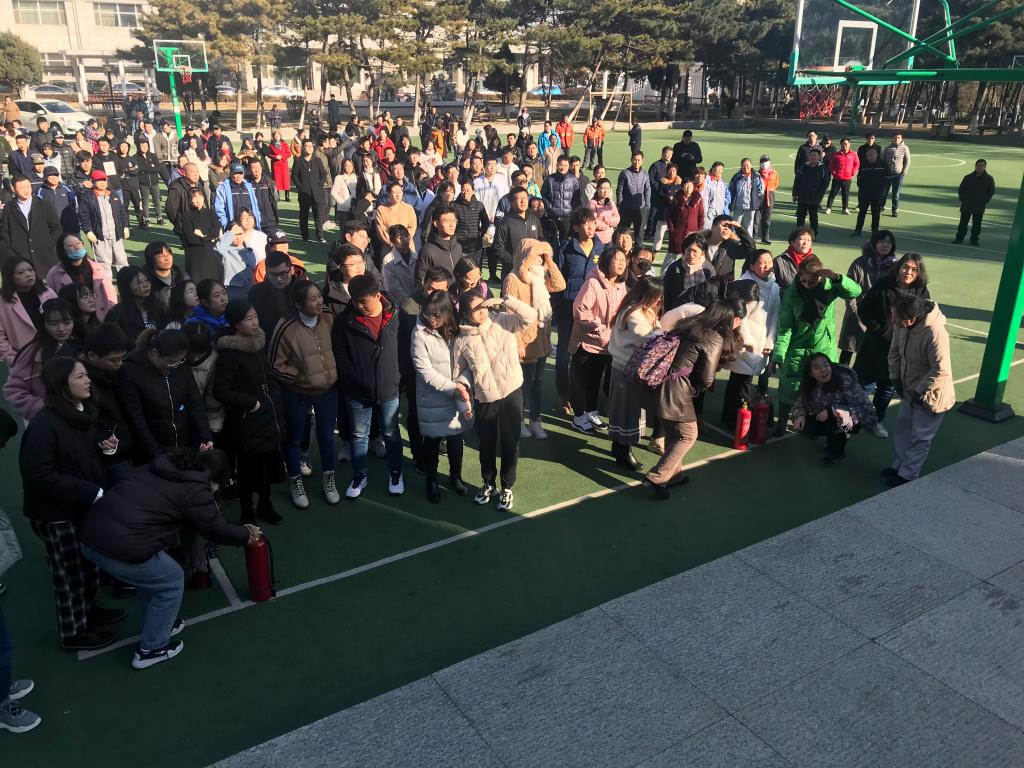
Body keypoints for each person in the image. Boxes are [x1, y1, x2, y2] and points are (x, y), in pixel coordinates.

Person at [80, 448, 256, 669]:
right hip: (120, 548)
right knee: (171, 579)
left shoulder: (160, 466)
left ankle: (158, 625)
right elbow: (216, 529)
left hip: (91, 537)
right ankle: (151, 649)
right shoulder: (196, 488)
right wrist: (246, 533)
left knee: (151, 578)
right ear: (215, 479)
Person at [19, 356, 122, 651]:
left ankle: (88, 611)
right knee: (69, 574)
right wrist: (91, 491)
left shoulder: (82, 414)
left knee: (87, 565)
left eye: (86, 374)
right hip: (56, 514)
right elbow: (39, 476)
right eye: (79, 376)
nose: (88, 380)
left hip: (79, 505)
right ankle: (73, 631)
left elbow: (82, 457)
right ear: (61, 385)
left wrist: (107, 450)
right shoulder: (44, 426)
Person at [645, 299, 744, 498]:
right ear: (727, 319)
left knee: (675, 432)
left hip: (661, 382)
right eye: (737, 318)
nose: (739, 322)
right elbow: (706, 378)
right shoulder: (714, 338)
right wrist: (698, 388)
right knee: (688, 434)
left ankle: (675, 475)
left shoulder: (691, 326)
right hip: (678, 389)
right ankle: (657, 476)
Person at [454, 291, 537, 511]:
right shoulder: (461, 339)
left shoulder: (504, 321)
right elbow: (460, 373)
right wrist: (464, 396)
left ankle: (507, 486)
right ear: (466, 314)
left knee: (510, 443)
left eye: (483, 306)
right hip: (485, 397)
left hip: (511, 391)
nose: (481, 312)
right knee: (486, 444)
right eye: (475, 310)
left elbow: (530, 316)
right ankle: (488, 483)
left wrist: (505, 301)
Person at [771, 256, 862, 435]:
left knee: (824, 391)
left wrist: (836, 277)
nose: (807, 285)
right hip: (797, 349)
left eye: (812, 282)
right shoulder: (792, 293)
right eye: (803, 280)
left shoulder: (830, 288)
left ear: (821, 277)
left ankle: (819, 427)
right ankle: (782, 422)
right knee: (789, 388)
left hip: (823, 349)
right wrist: (779, 354)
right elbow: (786, 327)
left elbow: (855, 291)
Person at [332, 274, 404, 499]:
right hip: (357, 391)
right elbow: (340, 356)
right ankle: (359, 475)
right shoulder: (344, 321)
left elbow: (404, 350)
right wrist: (352, 379)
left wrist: (397, 378)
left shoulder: (396, 315)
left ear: (378, 295)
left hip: (388, 388)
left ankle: (395, 473)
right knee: (359, 435)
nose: (358, 306)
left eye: (363, 301)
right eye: (354, 301)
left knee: (391, 433)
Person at [213, 300, 284, 525]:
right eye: (249, 319)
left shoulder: (259, 342)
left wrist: (274, 394)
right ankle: (247, 511)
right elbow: (221, 390)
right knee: (247, 470)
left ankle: (265, 504)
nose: (255, 322)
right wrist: (251, 403)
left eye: (255, 316)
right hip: (247, 421)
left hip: (269, 415)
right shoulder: (229, 354)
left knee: (268, 466)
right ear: (236, 324)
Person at [269, 280, 339, 508]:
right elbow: (275, 364)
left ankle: (329, 478)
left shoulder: (328, 316)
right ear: (299, 304)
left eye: (320, 296)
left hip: (328, 390)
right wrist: (301, 377)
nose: (319, 302)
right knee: (295, 438)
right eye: (313, 299)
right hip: (297, 393)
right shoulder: (286, 326)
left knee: (326, 436)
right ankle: (295, 480)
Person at [885, 293, 955, 485]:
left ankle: (908, 475)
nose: (892, 320)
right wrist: (895, 377)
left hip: (931, 395)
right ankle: (898, 465)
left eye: (896, 317)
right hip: (909, 389)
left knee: (921, 436)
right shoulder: (901, 325)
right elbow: (894, 351)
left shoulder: (935, 333)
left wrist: (919, 390)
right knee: (903, 429)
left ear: (912, 319)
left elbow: (941, 370)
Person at [502, 238, 565, 439]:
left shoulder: (540, 277)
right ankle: (518, 420)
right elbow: (508, 313)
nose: (540, 260)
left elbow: (560, 284)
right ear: (525, 256)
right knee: (524, 385)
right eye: (536, 256)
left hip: (542, 339)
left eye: (542, 257)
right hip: (525, 342)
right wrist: (518, 343)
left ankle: (535, 421)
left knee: (538, 384)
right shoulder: (513, 278)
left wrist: (550, 260)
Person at [411, 284, 469, 504]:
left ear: (447, 313)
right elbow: (424, 371)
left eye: (436, 316)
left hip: (456, 395)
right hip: (433, 397)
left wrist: (462, 383)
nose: (432, 320)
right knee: (433, 442)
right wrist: (453, 387)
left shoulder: (458, 330)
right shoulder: (419, 334)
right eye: (428, 314)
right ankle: (432, 481)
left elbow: (467, 360)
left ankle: (456, 477)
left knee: (456, 439)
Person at [569, 246, 628, 434]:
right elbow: (580, 311)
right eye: (617, 259)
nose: (621, 263)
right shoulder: (593, 283)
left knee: (595, 379)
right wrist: (600, 329)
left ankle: (591, 411)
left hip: (606, 344)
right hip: (586, 342)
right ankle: (578, 417)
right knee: (580, 380)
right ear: (607, 261)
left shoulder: (620, 285)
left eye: (623, 260)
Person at [607, 275, 663, 470]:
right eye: (656, 296)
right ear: (646, 295)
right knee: (628, 412)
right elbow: (649, 338)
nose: (659, 300)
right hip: (627, 370)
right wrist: (668, 336)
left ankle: (619, 446)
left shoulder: (637, 309)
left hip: (625, 369)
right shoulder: (634, 314)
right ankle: (624, 451)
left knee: (625, 410)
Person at [552, 207, 600, 410]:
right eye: (586, 223)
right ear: (575, 227)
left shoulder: (601, 248)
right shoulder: (565, 248)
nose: (590, 227)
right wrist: (555, 310)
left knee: (586, 355)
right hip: (567, 309)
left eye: (593, 222)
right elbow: (556, 280)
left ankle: (581, 394)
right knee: (564, 355)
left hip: (591, 310)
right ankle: (563, 394)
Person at [791, 354, 876, 464]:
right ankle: (832, 437)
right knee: (803, 426)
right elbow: (800, 403)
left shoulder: (845, 381)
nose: (823, 370)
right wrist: (800, 415)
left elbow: (866, 410)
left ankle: (837, 451)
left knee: (833, 417)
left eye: (826, 365)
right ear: (811, 374)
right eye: (817, 368)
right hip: (827, 417)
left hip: (856, 419)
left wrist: (834, 410)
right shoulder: (810, 384)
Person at [4, 298, 77, 421]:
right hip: (51, 420)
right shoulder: (32, 354)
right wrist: (43, 409)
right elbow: (13, 390)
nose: (61, 329)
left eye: (67, 322)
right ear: (44, 324)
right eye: (53, 324)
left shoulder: (80, 346)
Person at [79, 322, 134, 480]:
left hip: (125, 446)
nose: (120, 364)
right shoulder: (81, 382)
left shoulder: (111, 371)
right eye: (113, 360)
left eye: (122, 358)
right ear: (92, 356)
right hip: (108, 454)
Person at [838, 230, 898, 367]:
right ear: (874, 242)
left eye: (889, 242)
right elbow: (849, 289)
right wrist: (854, 310)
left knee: (872, 353)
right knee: (848, 349)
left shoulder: (895, 266)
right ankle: (841, 376)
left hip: (881, 317)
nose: (885, 245)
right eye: (882, 241)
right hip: (857, 312)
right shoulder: (860, 263)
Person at [0, 256, 58, 365]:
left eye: (30, 270)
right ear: (9, 276)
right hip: (24, 361)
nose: (28, 274)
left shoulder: (47, 292)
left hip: (55, 352)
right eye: (20, 272)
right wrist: (14, 360)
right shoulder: (3, 301)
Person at [0, 175, 61, 276]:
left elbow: (57, 228)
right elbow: (5, 233)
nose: (26, 190)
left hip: (45, 257)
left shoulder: (43, 204)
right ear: (13, 189)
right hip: (22, 259)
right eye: (22, 188)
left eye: (28, 186)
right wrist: (12, 251)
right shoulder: (9, 208)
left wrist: (48, 243)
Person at [663, 232, 716, 311]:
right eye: (688, 250)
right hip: (677, 310)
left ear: (702, 252)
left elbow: (711, 293)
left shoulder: (709, 269)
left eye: (695, 251)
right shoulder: (674, 267)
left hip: (700, 311)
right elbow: (666, 292)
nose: (691, 254)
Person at [178, 188, 221, 283]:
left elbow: (215, 231)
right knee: (196, 283)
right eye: (194, 197)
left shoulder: (211, 213)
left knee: (214, 282)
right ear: (190, 200)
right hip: (195, 255)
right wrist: (209, 238)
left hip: (210, 253)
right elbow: (190, 238)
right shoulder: (186, 217)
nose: (198, 200)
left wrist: (202, 235)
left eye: (200, 196)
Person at [663, 177, 705, 275]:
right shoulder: (676, 198)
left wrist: (698, 231)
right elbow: (669, 216)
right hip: (678, 233)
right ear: (682, 187)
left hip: (692, 233)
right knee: (672, 255)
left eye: (690, 186)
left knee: (691, 254)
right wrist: (672, 231)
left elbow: (701, 216)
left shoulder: (698, 198)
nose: (688, 188)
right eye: (686, 186)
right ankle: (663, 275)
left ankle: (689, 274)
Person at [292, 139, 329, 243]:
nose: (309, 148)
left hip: (317, 193)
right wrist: (301, 187)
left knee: (318, 216)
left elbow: (323, 174)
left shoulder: (317, 160)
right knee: (304, 216)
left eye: (311, 146)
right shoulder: (298, 161)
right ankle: (305, 236)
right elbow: (294, 175)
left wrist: (320, 185)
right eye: (307, 146)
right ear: (303, 148)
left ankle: (320, 235)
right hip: (304, 193)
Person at [415, 205, 462, 284]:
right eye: (447, 221)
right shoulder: (427, 251)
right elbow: (420, 281)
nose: (452, 225)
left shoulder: (458, 247)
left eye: (454, 220)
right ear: (436, 223)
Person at [954, 159, 995, 246]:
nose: (980, 167)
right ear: (975, 166)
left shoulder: (989, 179)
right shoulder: (968, 177)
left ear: (985, 167)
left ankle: (974, 240)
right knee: (963, 223)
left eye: (982, 165)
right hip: (967, 204)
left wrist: (985, 200)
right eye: (978, 165)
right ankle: (959, 238)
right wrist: (963, 199)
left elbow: (991, 191)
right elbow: (961, 189)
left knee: (977, 224)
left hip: (979, 205)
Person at [792, 149, 829, 238]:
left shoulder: (823, 168)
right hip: (803, 196)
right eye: (811, 155)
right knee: (800, 215)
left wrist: (819, 195)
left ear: (819, 157)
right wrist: (795, 193)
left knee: (813, 216)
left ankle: (813, 233)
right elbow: (797, 181)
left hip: (814, 197)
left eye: (815, 155)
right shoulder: (803, 166)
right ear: (809, 156)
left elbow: (825, 183)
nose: (813, 157)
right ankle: (799, 233)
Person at [140, 240, 187, 310]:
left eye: (169, 254)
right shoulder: (145, 283)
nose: (167, 259)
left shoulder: (183, 276)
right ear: (151, 259)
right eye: (161, 256)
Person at [616, 151, 651, 244]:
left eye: (639, 160)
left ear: (642, 161)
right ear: (631, 160)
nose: (637, 162)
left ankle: (638, 251)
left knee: (639, 235)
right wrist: (620, 204)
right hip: (626, 208)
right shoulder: (625, 173)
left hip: (640, 209)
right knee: (622, 232)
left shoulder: (645, 174)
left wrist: (647, 205)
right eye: (635, 160)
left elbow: (647, 189)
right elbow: (619, 190)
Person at [852, 145, 887, 237]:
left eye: (871, 155)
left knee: (875, 213)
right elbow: (859, 178)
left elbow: (887, 178)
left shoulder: (883, 164)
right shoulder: (863, 165)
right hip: (864, 194)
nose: (869, 157)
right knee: (862, 213)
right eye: (868, 155)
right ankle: (858, 230)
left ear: (876, 155)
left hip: (877, 194)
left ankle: (875, 231)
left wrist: (881, 190)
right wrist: (862, 187)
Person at [728, 158, 764, 237]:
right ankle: (733, 240)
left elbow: (761, 190)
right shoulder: (736, 176)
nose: (745, 167)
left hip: (750, 206)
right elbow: (730, 189)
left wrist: (757, 202)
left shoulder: (756, 176)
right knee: (735, 224)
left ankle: (748, 241)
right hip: (738, 205)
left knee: (749, 226)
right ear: (741, 166)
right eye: (743, 165)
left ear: (751, 165)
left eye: (747, 165)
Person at [773, 227, 815, 292]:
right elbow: (771, 285)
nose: (805, 243)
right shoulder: (779, 261)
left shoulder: (814, 261)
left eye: (809, 240)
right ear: (792, 242)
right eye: (802, 239)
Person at [825, 137, 859, 215]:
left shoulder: (853, 154)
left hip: (847, 178)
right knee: (833, 193)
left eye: (846, 144)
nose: (844, 146)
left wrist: (852, 172)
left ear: (849, 144)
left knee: (845, 194)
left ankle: (845, 209)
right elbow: (831, 164)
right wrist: (834, 173)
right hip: (837, 178)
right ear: (840, 145)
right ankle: (828, 208)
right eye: (843, 144)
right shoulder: (836, 154)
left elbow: (857, 163)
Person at [881, 132, 911, 217]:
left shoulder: (905, 148)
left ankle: (894, 210)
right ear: (892, 138)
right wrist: (883, 171)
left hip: (898, 175)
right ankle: (880, 208)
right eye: (895, 137)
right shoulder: (887, 148)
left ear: (901, 139)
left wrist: (904, 171)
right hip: (887, 175)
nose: (896, 139)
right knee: (883, 193)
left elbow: (907, 160)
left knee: (896, 194)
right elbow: (882, 160)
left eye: (898, 137)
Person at [588, 178, 620, 247]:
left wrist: (605, 218)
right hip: (597, 239)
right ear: (597, 189)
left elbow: (617, 219)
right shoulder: (592, 203)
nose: (605, 191)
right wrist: (607, 226)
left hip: (610, 238)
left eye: (608, 188)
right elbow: (594, 221)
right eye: (603, 188)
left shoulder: (611, 203)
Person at [754, 155, 778, 245]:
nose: (764, 163)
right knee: (756, 219)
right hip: (759, 198)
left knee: (767, 220)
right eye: (762, 161)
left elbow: (776, 184)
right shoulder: (757, 174)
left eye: (766, 161)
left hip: (769, 197)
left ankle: (765, 238)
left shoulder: (774, 173)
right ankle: (753, 237)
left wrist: (770, 191)